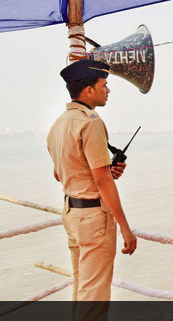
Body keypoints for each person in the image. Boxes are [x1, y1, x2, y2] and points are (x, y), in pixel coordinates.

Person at [47, 60, 137, 308]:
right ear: (88, 90)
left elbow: (61, 174)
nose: (107, 90)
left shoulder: (59, 124)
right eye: (104, 85)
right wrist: (125, 228)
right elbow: (101, 181)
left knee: (82, 289)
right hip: (94, 219)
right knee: (94, 297)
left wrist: (105, 171)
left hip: (72, 214)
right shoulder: (91, 122)